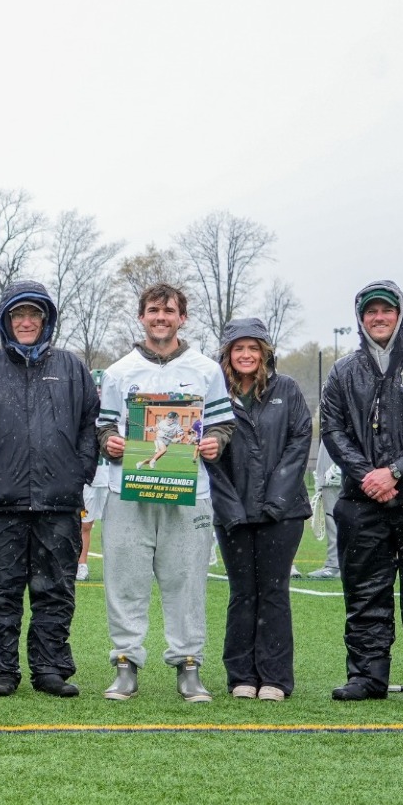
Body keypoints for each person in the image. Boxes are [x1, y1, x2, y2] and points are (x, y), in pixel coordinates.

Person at [0, 280, 99, 697]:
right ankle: (1, 670)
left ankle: (50, 669)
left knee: (55, 591)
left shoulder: (72, 369)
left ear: (46, 319)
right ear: (6, 320)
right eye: (18, 315)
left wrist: (78, 472)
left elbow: (90, 425)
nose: (26, 322)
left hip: (58, 503)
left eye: (34, 314)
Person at [319, 281, 403, 706]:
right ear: (360, 318)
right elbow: (333, 431)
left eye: (386, 310)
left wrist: (396, 471)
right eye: (371, 311)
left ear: (400, 314)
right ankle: (366, 676)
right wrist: (369, 477)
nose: (378, 317)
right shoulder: (343, 372)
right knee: (364, 593)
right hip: (361, 501)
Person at [95, 283, 235, 703]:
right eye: (153, 310)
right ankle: (125, 664)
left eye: (169, 311)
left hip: (188, 489)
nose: (161, 318)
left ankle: (188, 665)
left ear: (182, 318)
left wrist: (215, 442)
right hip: (128, 491)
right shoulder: (119, 371)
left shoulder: (206, 370)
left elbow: (222, 424)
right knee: (125, 580)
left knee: (187, 579)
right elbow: (103, 426)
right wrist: (109, 442)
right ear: (141, 317)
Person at [208, 318, 313, 701]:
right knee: (242, 593)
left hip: (282, 514)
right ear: (227, 354)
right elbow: (209, 458)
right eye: (239, 348)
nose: (246, 355)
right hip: (232, 515)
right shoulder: (214, 394)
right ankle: (240, 676)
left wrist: (276, 501)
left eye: (253, 348)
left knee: (273, 592)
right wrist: (231, 508)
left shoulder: (287, 389)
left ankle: (275, 678)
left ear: (265, 352)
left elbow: (300, 441)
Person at [78, 368, 108, 582]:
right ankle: (81, 564)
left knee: (114, 526)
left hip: (110, 477)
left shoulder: (117, 413)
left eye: (101, 388)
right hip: (89, 478)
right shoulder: (82, 412)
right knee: (84, 524)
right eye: (95, 387)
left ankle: (115, 566)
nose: (98, 392)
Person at [303, 438, 343, 580]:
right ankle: (338, 563)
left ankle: (335, 564)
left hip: (337, 473)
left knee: (336, 521)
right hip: (331, 471)